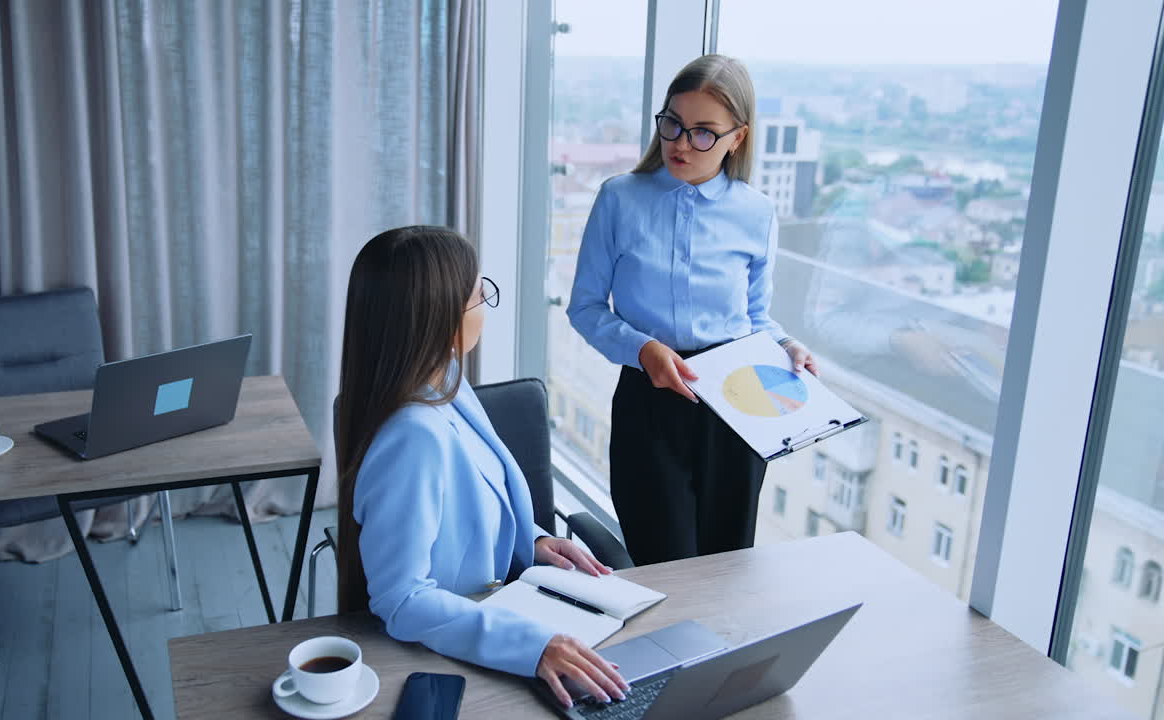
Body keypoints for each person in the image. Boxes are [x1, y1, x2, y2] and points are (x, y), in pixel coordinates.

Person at [335, 225, 629, 708]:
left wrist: (533, 540)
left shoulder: (444, 378)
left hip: (500, 602)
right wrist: (533, 647)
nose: (484, 306)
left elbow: (474, 491)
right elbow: (402, 599)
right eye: (479, 294)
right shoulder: (413, 436)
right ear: (441, 317)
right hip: (451, 648)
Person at [567, 55, 818, 567]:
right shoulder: (619, 199)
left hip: (738, 403)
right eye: (673, 124)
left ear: (737, 138)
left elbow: (753, 318)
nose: (681, 143)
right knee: (668, 568)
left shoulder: (756, 211)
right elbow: (585, 308)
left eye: (704, 132)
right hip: (649, 400)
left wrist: (787, 345)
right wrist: (642, 348)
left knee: (728, 570)